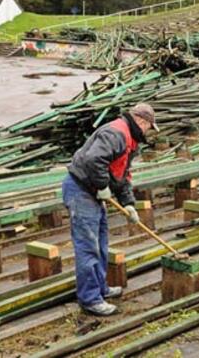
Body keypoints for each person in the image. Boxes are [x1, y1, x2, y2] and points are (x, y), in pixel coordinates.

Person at [62, 103, 158, 316]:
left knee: (101, 243)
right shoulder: (116, 133)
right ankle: (90, 299)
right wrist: (103, 186)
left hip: (93, 192)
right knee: (89, 247)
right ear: (141, 121)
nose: (148, 132)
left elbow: (122, 177)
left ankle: (100, 288)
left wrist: (129, 204)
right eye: (149, 127)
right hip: (81, 190)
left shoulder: (130, 140)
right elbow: (93, 160)